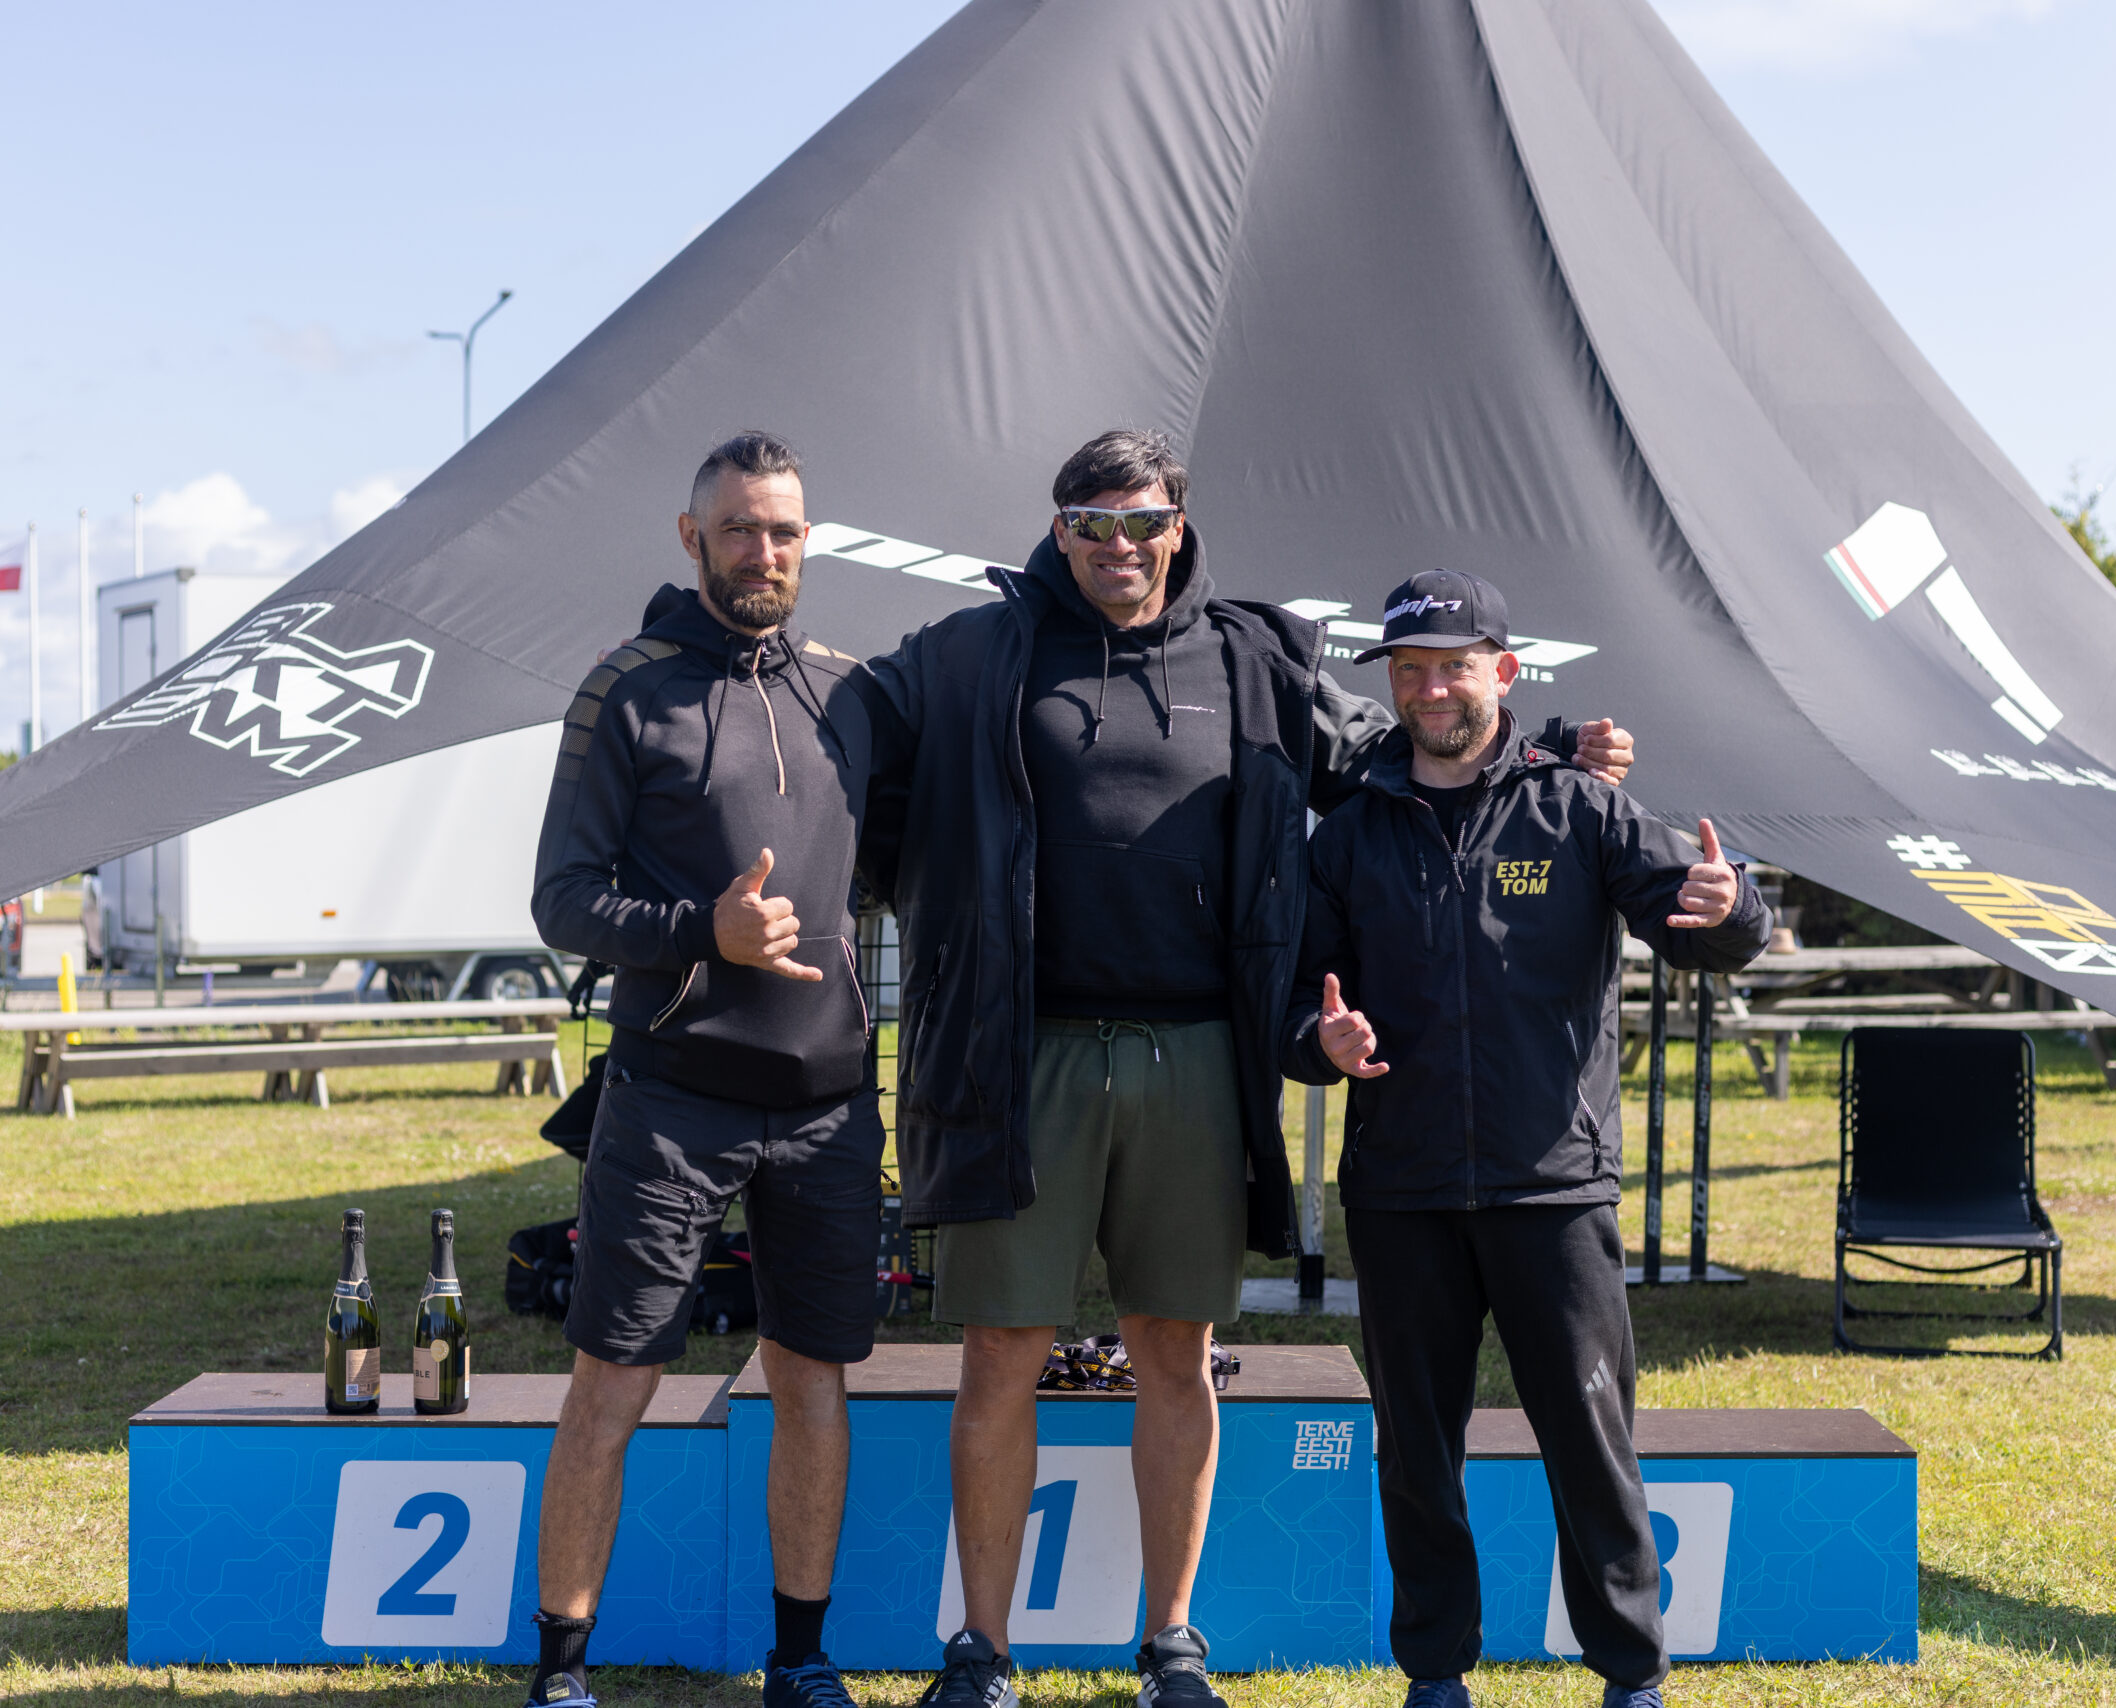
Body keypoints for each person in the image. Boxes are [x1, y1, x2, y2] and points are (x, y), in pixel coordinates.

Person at [856, 431, 1639, 1708]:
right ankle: (980, 1652)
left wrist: (1540, 743)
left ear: (1178, 524)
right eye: (1091, 522)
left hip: (1200, 1053)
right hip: (1021, 1054)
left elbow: (1400, 744)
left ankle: (1170, 1643)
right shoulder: (973, 652)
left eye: (1141, 520)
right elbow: (848, 747)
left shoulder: (1252, 658)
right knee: (1000, 1351)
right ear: (1058, 530)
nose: (1117, 545)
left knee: (1176, 1351)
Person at [1280, 569, 1769, 1708]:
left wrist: (1730, 905)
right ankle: (1435, 1674)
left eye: (1453, 667)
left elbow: (1699, 922)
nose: (1430, 689)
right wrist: (1322, 1038)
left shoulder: (1580, 808)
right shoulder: (1346, 837)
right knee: (1416, 1453)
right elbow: (1297, 1003)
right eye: (1409, 670)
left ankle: (1632, 1675)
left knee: (1591, 1441)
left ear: (1502, 671)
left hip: (1553, 1189)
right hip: (1400, 1193)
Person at [525, 431, 877, 1708]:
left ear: (806, 540)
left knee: (813, 1381)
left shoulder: (851, 694)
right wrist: (701, 932)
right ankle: (562, 1669)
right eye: (738, 529)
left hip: (829, 1105)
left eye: (782, 530)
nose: (762, 552)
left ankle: (802, 1660)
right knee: (613, 1379)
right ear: (693, 538)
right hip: (671, 1101)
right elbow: (561, 898)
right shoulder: (625, 690)